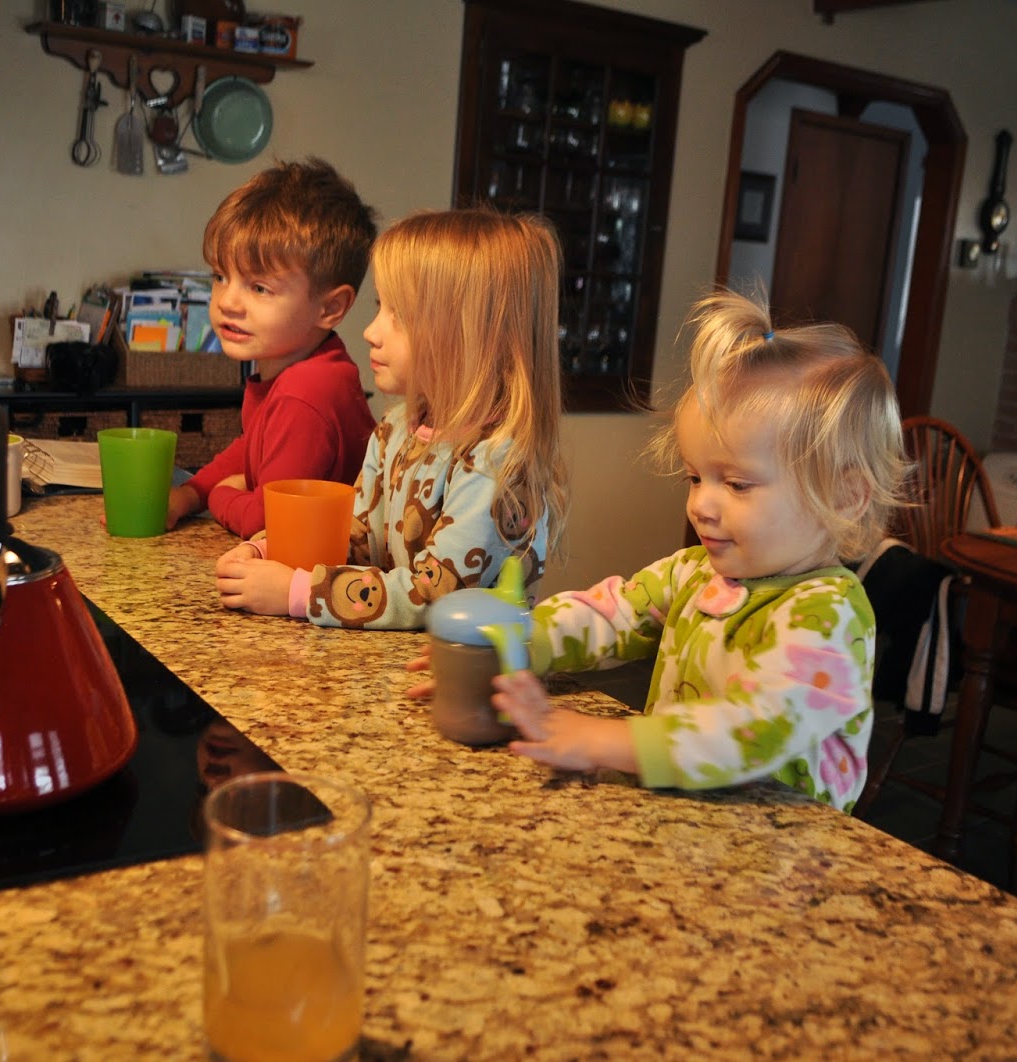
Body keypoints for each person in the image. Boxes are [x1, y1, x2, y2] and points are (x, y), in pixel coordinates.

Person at [419, 289, 906, 811]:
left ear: (845, 496)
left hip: (780, 842)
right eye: (695, 478)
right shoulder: (693, 573)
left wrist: (603, 740)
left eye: (737, 484)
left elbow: (754, 728)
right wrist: (515, 646)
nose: (701, 505)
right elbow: (611, 614)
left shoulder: (829, 614)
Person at [214, 208, 568, 630]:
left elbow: (434, 593)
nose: (371, 331)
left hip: (471, 666)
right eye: (381, 306)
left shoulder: (497, 460)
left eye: (399, 315)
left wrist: (300, 592)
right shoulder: (396, 428)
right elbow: (359, 537)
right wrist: (269, 551)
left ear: (469, 335)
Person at [166, 157, 379, 538]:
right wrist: (191, 494)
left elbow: (268, 522)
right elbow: (252, 447)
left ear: (330, 308)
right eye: (220, 276)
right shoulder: (309, 363)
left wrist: (221, 496)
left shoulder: (305, 393)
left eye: (259, 287)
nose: (228, 301)